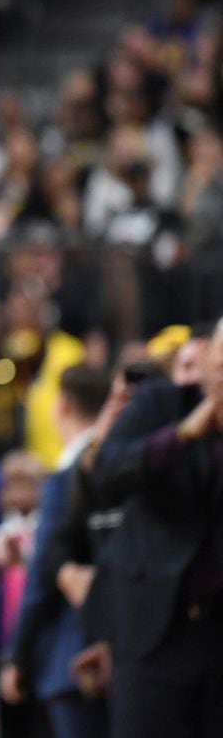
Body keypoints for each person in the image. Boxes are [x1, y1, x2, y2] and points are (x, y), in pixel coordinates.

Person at [90, 316, 223, 738]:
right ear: (204, 363)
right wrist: (181, 435)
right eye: (222, 367)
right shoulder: (157, 404)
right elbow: (106, 473)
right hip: (153, 632)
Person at [0, 365, 112, 738]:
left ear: (60, 406)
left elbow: (45, 573)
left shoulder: (67, 476)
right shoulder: (120, 463)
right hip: (121, 651)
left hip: (72, 658)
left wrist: (17, 655)